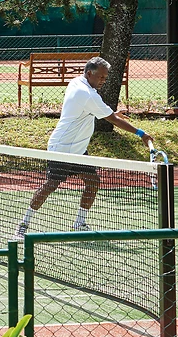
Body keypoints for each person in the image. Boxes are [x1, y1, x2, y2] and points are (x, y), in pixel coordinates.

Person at [16, 57, 155, 237]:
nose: (103, 81)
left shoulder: (78, 82)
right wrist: (141, 134)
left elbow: (102, 111)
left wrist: (111, 113)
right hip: (62, 148)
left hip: (79, 149)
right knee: (51, 185)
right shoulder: (86, 94)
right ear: (89, 73)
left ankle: (79, 223)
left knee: (93, 182)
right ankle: (23, 225)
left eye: (105, 77)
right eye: (101, 77)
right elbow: (110, 119)